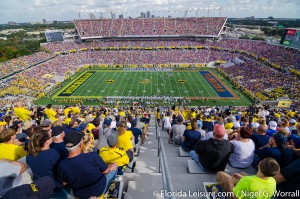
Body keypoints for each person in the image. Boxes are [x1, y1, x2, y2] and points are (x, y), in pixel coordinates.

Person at [58, 131, 118, 199]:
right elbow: (106, 171)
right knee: (115, 166)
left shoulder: (62, 164)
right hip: (99, 190)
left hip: (79, 194)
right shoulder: (93, 156)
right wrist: (111, 167)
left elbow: (64, 182)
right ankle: (111, 189)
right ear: (81, 145)